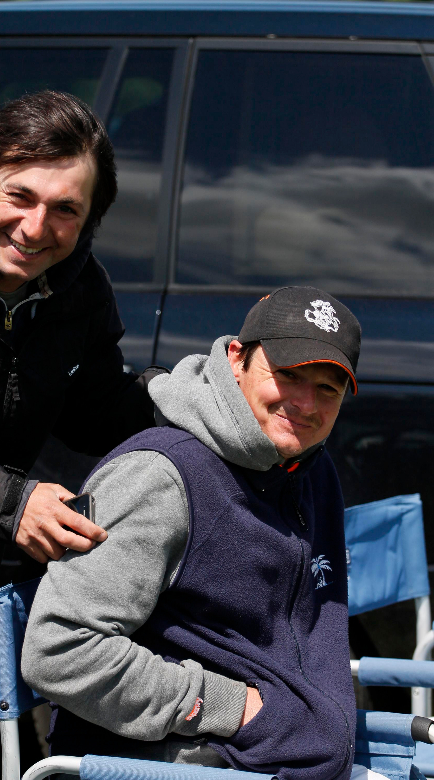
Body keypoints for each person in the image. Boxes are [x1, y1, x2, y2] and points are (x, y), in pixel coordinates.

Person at [22, 286, 387, 780]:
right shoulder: (159, 477)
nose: (306, 403)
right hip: (169, 764)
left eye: (329, 389)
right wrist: (234, 709)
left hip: (294, 753)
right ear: (236, 359)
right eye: (288, 374)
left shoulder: (310, 470)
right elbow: (60, 651)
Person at [0, 90, 163, 778]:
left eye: (65, 211)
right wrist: (10, 501)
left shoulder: (75, 289)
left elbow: (100, 409)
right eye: (19, 196)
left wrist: (212, 402)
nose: (35, 227)